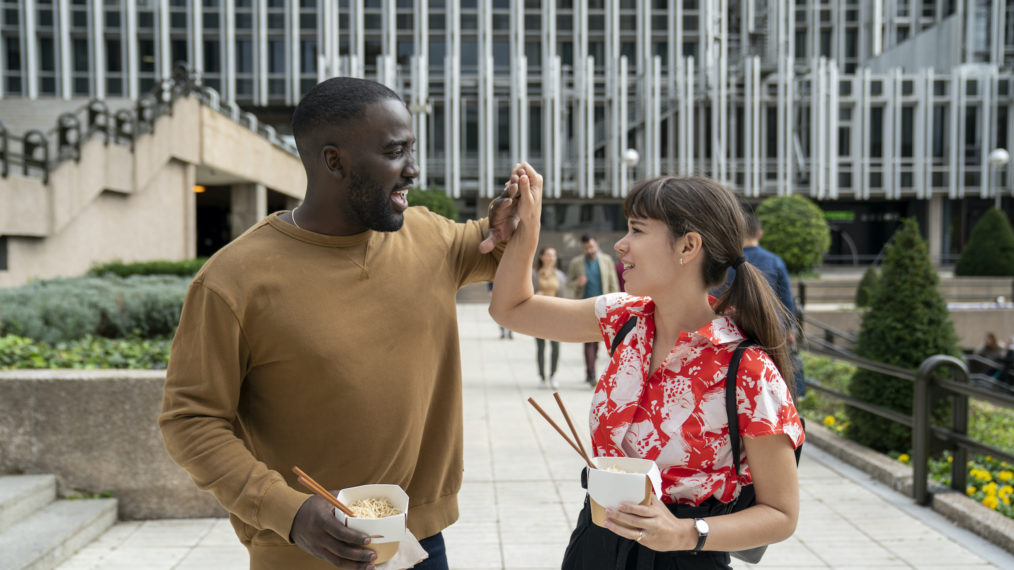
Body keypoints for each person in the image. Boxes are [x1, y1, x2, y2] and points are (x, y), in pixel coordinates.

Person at [158, 77, 522, 570]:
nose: (412, 170)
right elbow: (190, 419)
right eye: (396, 152)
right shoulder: (232, 280)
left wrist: (515, 214)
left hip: (417, 541)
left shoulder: (428, 236)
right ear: (334, 161)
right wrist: (290, 510)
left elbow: (496, 245)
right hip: (301, 550)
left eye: (411, 150)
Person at [490, 166, 804, 569]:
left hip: (683, 556)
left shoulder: (749, 370)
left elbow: (782, 514)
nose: (620, 245)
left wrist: (684, 533)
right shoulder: (625, 318)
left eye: (637, 230)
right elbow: (511, 309)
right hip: (595, 545)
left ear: (688, 246)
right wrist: (529, 225)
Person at [718, 208, 805, 395]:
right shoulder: (774, 261)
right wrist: (789, 328)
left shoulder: (726, 261)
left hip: (731, 327)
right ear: (760, 234)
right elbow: (785, 298)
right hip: (770, 325)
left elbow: (717, 295)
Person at [566, 234, 621, 386]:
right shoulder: (576, 263)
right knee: (588, 341)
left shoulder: (606, 261)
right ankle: (591, 373)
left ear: (596, 244)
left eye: (591, 247)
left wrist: (616, 302)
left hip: (604, 308)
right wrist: (578, 283)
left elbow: (613, 283)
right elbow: (568, 283)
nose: (589, 250)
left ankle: (593, 369)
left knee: (598, 341)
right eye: (586, 248)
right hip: (585, 307)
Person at [533, 246, 567, 388]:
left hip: (554, 315)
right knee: (540, 347)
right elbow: (527, 293)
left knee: (556, 346)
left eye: (553, 255)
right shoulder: (534, 274)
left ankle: (553, 375)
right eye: (548, 255)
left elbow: (563, 296)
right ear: (541, 257)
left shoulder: (559, 275)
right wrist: (535, 296)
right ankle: (542, 377)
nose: (551, 258)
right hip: (539, 315)